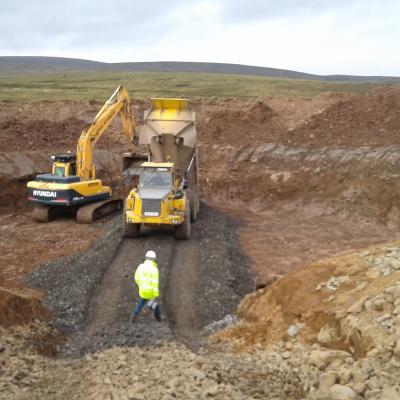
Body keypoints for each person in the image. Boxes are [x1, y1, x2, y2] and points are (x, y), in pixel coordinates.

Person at [131, 250, 161, 323]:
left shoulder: (140, 266)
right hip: (151, 292)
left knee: (142, 300)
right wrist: (156, 294)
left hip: (143, 290)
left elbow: (136, 277)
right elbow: (155, 283)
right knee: (155, 303)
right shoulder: (154, 269)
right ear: (154, 258)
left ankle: (134, 316)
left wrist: (140, 285)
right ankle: (158, 318)